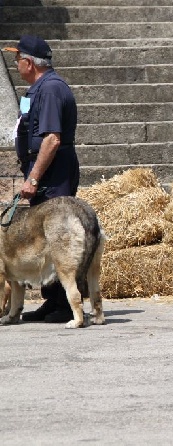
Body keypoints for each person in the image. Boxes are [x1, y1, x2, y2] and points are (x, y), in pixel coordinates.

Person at [2, 35, 80, 323]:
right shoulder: (40, 88)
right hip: (45, 170)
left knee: (57, 235)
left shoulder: (49, 91)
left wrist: (33, 178)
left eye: (17, 58)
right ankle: (53, 300)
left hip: (52, 172)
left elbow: (51, 139)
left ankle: (65, 303)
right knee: (43, 236)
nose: (15, 63)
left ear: (28, 62)